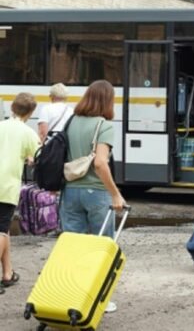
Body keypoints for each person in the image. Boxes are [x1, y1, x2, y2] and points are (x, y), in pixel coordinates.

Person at [59, 80, 126, 312]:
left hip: (70, 191)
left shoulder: (71, 122)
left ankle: (72, 296)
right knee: (101, 248)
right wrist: (115, 194)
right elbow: (100, 162)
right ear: (107, 100)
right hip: (96, 193)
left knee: (72, 247)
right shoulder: (104, 125)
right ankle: (98, 299)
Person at [0, 93, 40, 295]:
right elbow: (37, 157)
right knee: (1, 228)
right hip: (6, 186)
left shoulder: (0, 126)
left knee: (4, 229)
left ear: (12, 108)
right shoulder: (28, 133)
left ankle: (7, 273)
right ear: (31, 113)